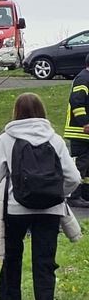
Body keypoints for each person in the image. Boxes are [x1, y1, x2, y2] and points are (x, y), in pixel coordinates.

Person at [0, 92, 82, 300]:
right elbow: (73, 177)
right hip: (50, 210)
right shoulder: (55, 139)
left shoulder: (6, 139)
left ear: (16, 112)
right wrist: (54, 192)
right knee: (44, 265)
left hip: (16, 207)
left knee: (12, 254)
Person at [65, 54, 89, 207]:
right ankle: (74, 195)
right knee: (80, 163)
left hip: (84, 130)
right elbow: (76, 102)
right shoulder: (83, 79)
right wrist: (85, 123)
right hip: (79, 130)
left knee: (86, 164)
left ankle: (85, 193)